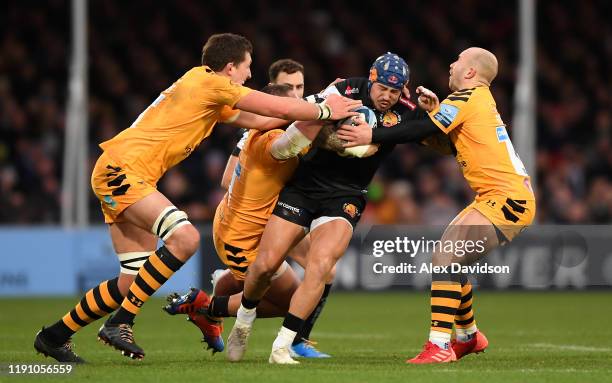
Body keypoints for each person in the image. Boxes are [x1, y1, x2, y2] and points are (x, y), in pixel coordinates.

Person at [33, 32, 361, 362]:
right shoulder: (209, 83)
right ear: (230, 67)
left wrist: (325, 97)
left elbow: (266, 118)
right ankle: (121, 321)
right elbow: (272, 104)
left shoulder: (206, 95)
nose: (249, 75)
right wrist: (323, 109)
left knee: (130, 282)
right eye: (247, 67)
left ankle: (54, 336)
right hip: (123, 170)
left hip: (128, 173)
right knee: (186, 238)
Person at [225, 52, 430, 364]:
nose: (387, 97)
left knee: (321, 267)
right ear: (371, 81)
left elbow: (428, 130)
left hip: (346, 195)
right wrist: (332, 139)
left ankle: (283, 345)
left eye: (394, 91)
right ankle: (244, 318)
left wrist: (379, 133)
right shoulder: (345, 90)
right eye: (382, 89)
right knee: (265, 264)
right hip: (305, 185)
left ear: (403, 90)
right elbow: (305, 116)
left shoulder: (408, 110)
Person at [337, 47, 536, 364]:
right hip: (500, 197)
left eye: (457, 61)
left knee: (446, 255)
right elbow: (442, 141)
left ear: (470, 72)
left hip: (505, 198)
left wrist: (371, 133)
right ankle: (468, 336)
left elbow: (420, 129)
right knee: (450, 258)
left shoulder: (468, 98)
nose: (451, 64)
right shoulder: (474, 102)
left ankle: (440, 346)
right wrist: (432, 113)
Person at [165, 83, 348, 358]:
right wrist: (326, 107)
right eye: (292, 103)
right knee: (295, 304)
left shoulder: (258, 130)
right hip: (243, 241)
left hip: (240, 225)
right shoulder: (269, 139)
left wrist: (330, 94)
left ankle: (221, 289)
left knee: (313, 276)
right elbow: (292, 142)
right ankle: (204, 306)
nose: (298, 108)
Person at [220, 58, 305, 190]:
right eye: (288, 87)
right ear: (272, 88)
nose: (296, 95)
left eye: (299, 87)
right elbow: (228, 180)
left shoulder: (310, 119)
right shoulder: (254, 130)